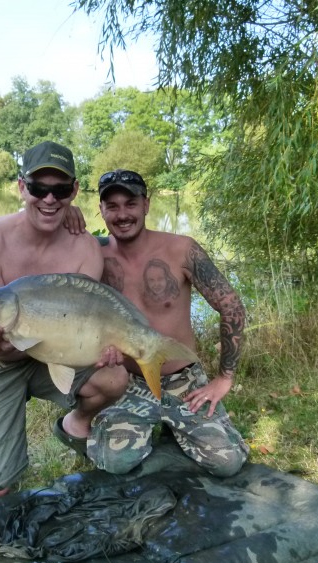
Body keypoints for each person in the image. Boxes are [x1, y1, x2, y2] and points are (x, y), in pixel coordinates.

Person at [0, 142, 128, 501]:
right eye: (39, 188)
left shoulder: (85, 248)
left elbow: (80, 326)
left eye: (61, 190)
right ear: (22, 187)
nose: (50, 199)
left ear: (74, 190)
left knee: (114, 377)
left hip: (49, 351)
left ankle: (76, 425)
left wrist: (103, 348)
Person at [88, 169, 250, 476]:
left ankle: (174, 432)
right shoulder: (92, 254)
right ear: (101, 210)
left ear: (146, 204)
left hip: (183, 379)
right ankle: (93, 427)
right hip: (128, 380)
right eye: (112, 206)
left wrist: (224, 378)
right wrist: (68, 215)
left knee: (227, 463)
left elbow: (231, 306)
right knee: (113, 462)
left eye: (131, 203)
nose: (122, 214)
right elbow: (52, 246)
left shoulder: (182, 249)